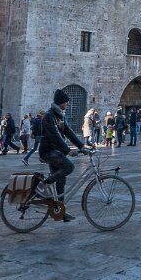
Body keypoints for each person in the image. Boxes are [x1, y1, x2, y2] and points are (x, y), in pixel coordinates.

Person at [35, 89, 88, 220]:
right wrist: (68, 150)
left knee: (60, 182)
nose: (68, 105)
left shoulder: (59, 115)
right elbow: (55, 136)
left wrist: (81, 145)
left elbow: (68, 132)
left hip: (56, 151)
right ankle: (42, 185)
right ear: (61, 103)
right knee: (69, 167)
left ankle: (61, 211)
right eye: (66, 103)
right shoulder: (49, 116)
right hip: (48, 151)